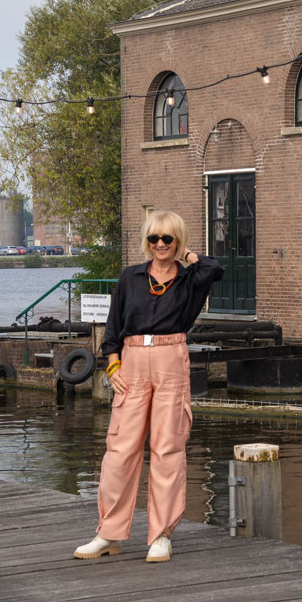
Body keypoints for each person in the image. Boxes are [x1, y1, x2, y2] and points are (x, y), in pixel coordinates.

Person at [74, 210, 224, 563]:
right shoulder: (131, 277)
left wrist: (186, 255)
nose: (160, 244)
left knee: (167, 449)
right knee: (120, 450)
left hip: (171, 360)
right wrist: (113, 365)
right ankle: (109, 533)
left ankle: (161, 535)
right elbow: (113, 327)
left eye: (167, 238)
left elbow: (214, 268)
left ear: (177, 241)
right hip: (132, 362)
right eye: (154, 238)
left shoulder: (190, 279)